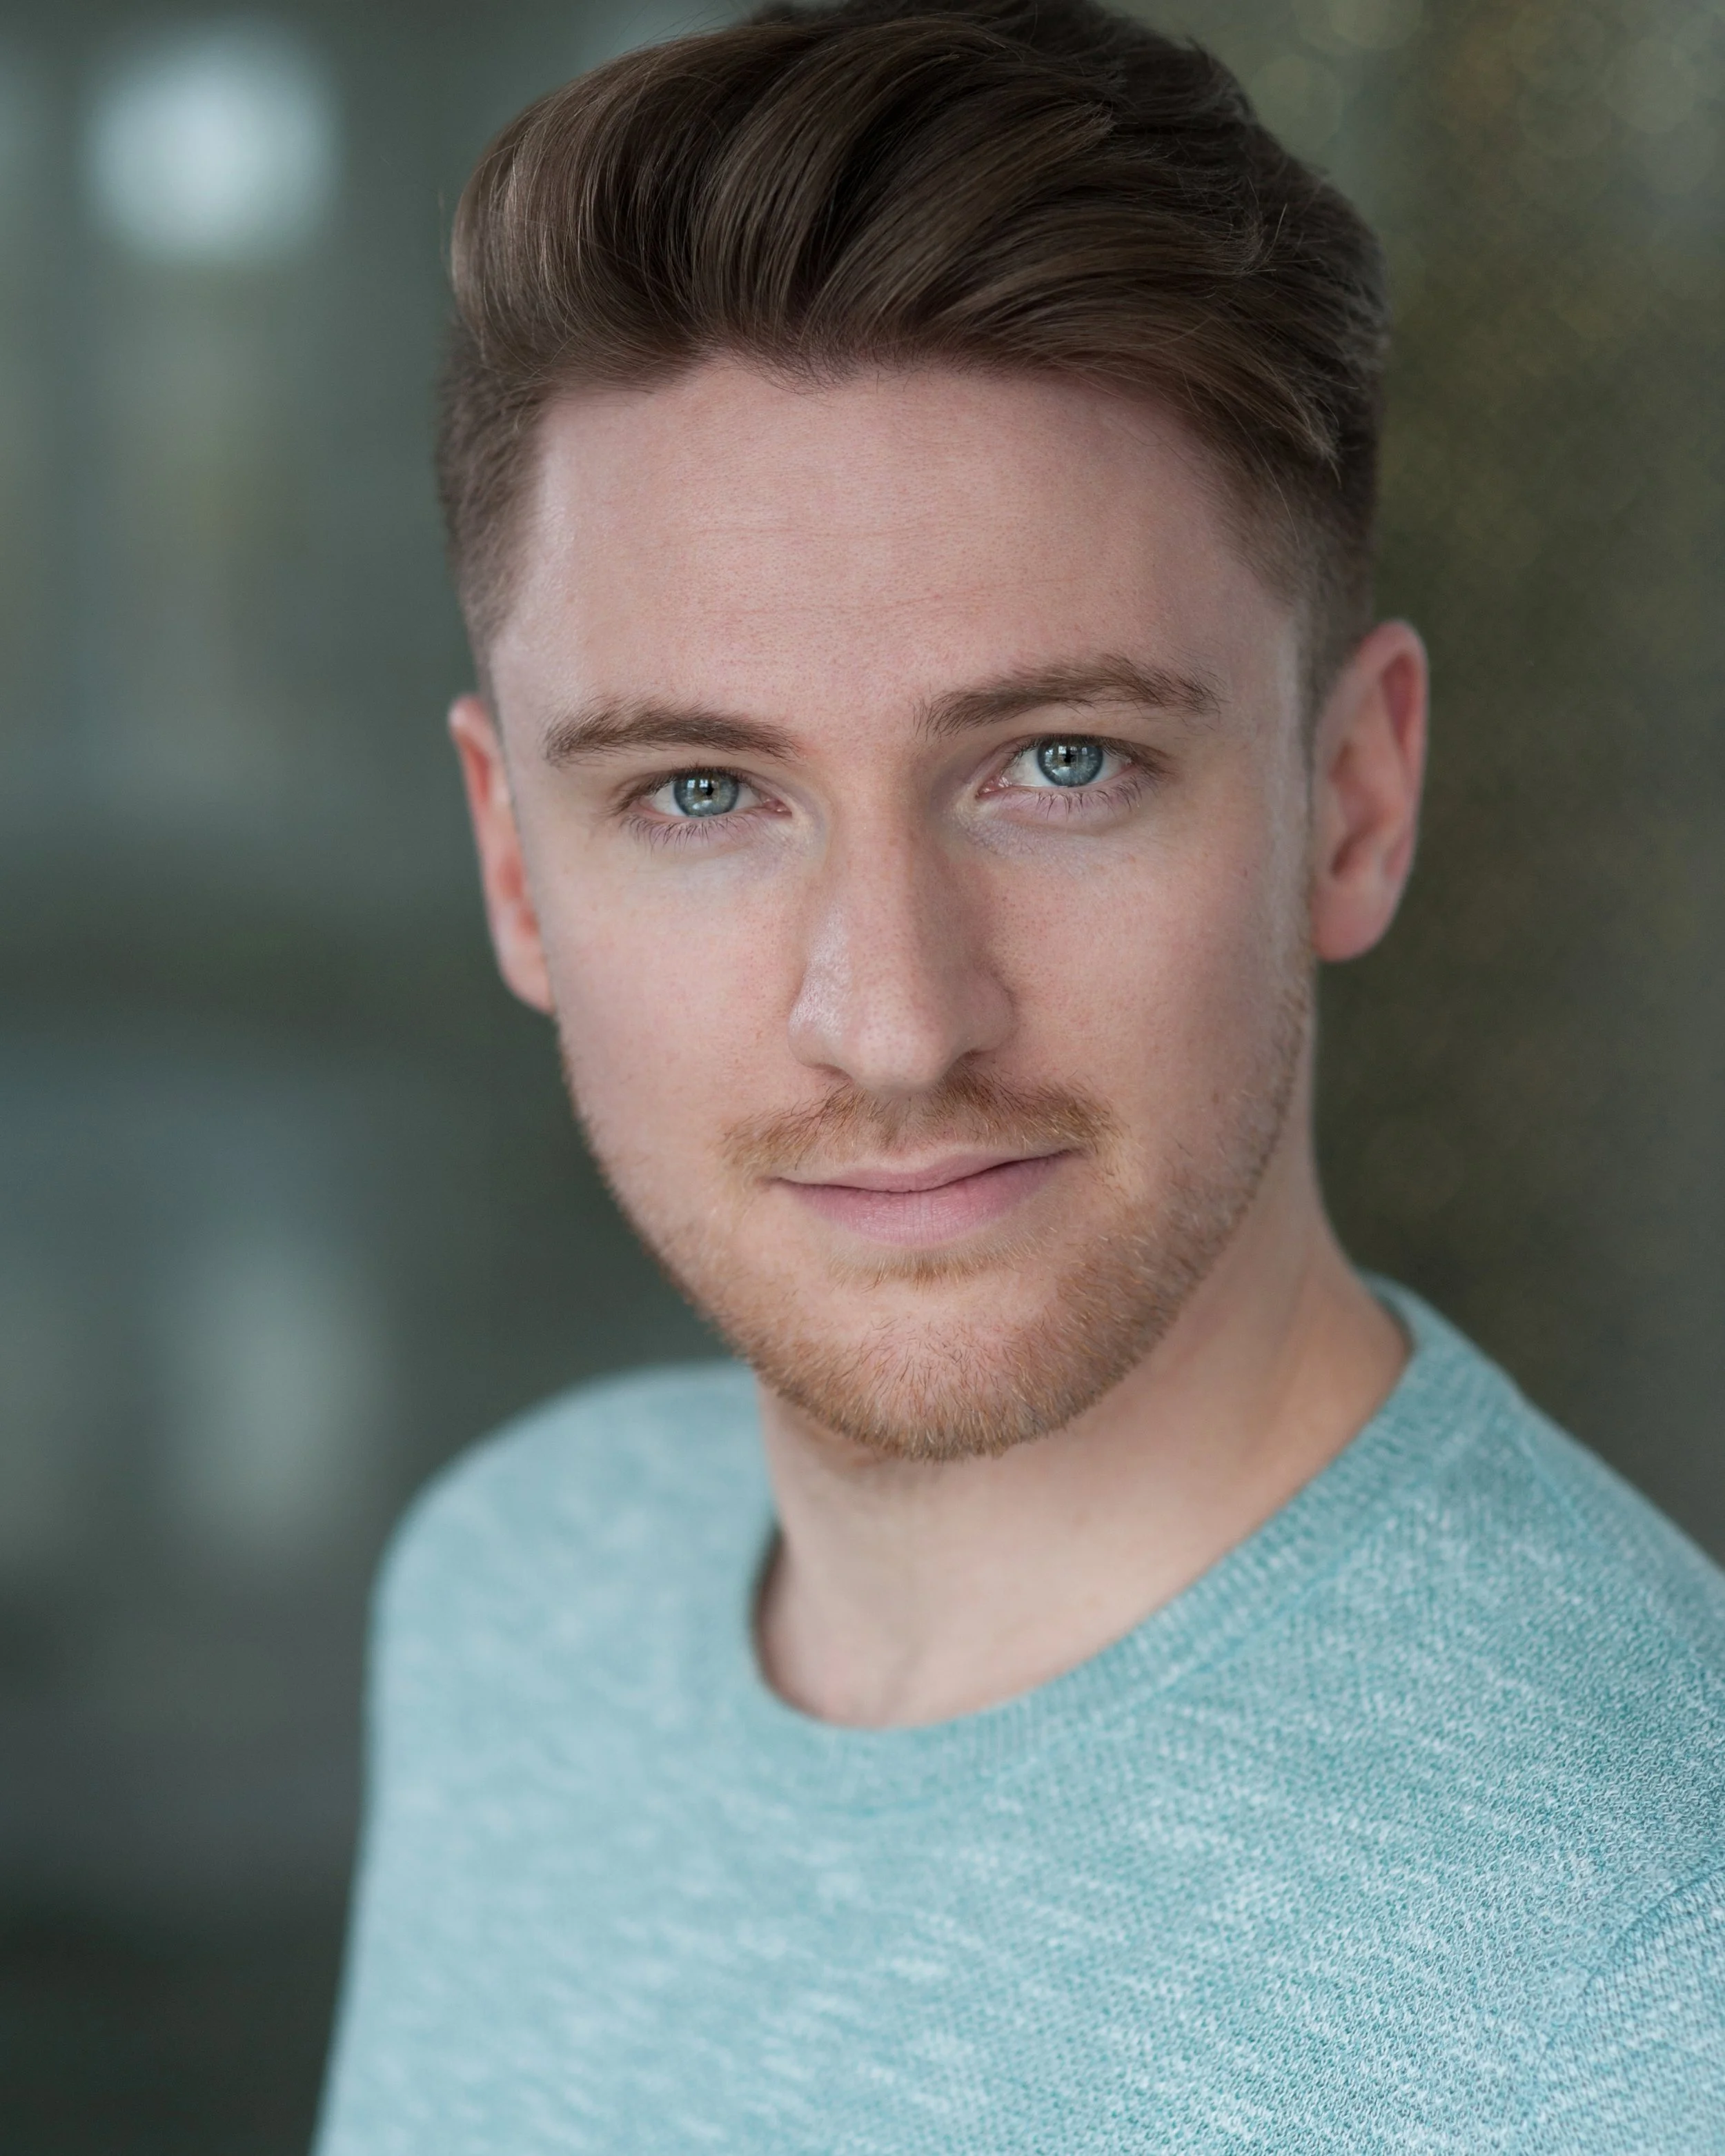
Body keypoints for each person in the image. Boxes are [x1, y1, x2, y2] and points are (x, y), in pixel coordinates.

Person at [315, 2, 1725, 2146]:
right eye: (702, 792)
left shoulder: (1648, 1955)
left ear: (1351, 798)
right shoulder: (515, 1592)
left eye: (1059, 766)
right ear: (516, 864)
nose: (891, 1020)